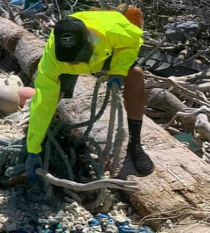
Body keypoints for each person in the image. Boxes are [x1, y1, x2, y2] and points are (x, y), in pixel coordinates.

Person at [24, 11, 154, 180]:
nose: (74, 63)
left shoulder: (114, 31)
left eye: (76, 58)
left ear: (88, 43)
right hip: (64, 64)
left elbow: (133, 42)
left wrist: (118, 69)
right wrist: (32, 150)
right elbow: (42, 101)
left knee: (135, 74)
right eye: (69, 60)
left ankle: (135, 143)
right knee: (52, 97)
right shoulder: (53, 59)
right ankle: (44, 134)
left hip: (105, 52)